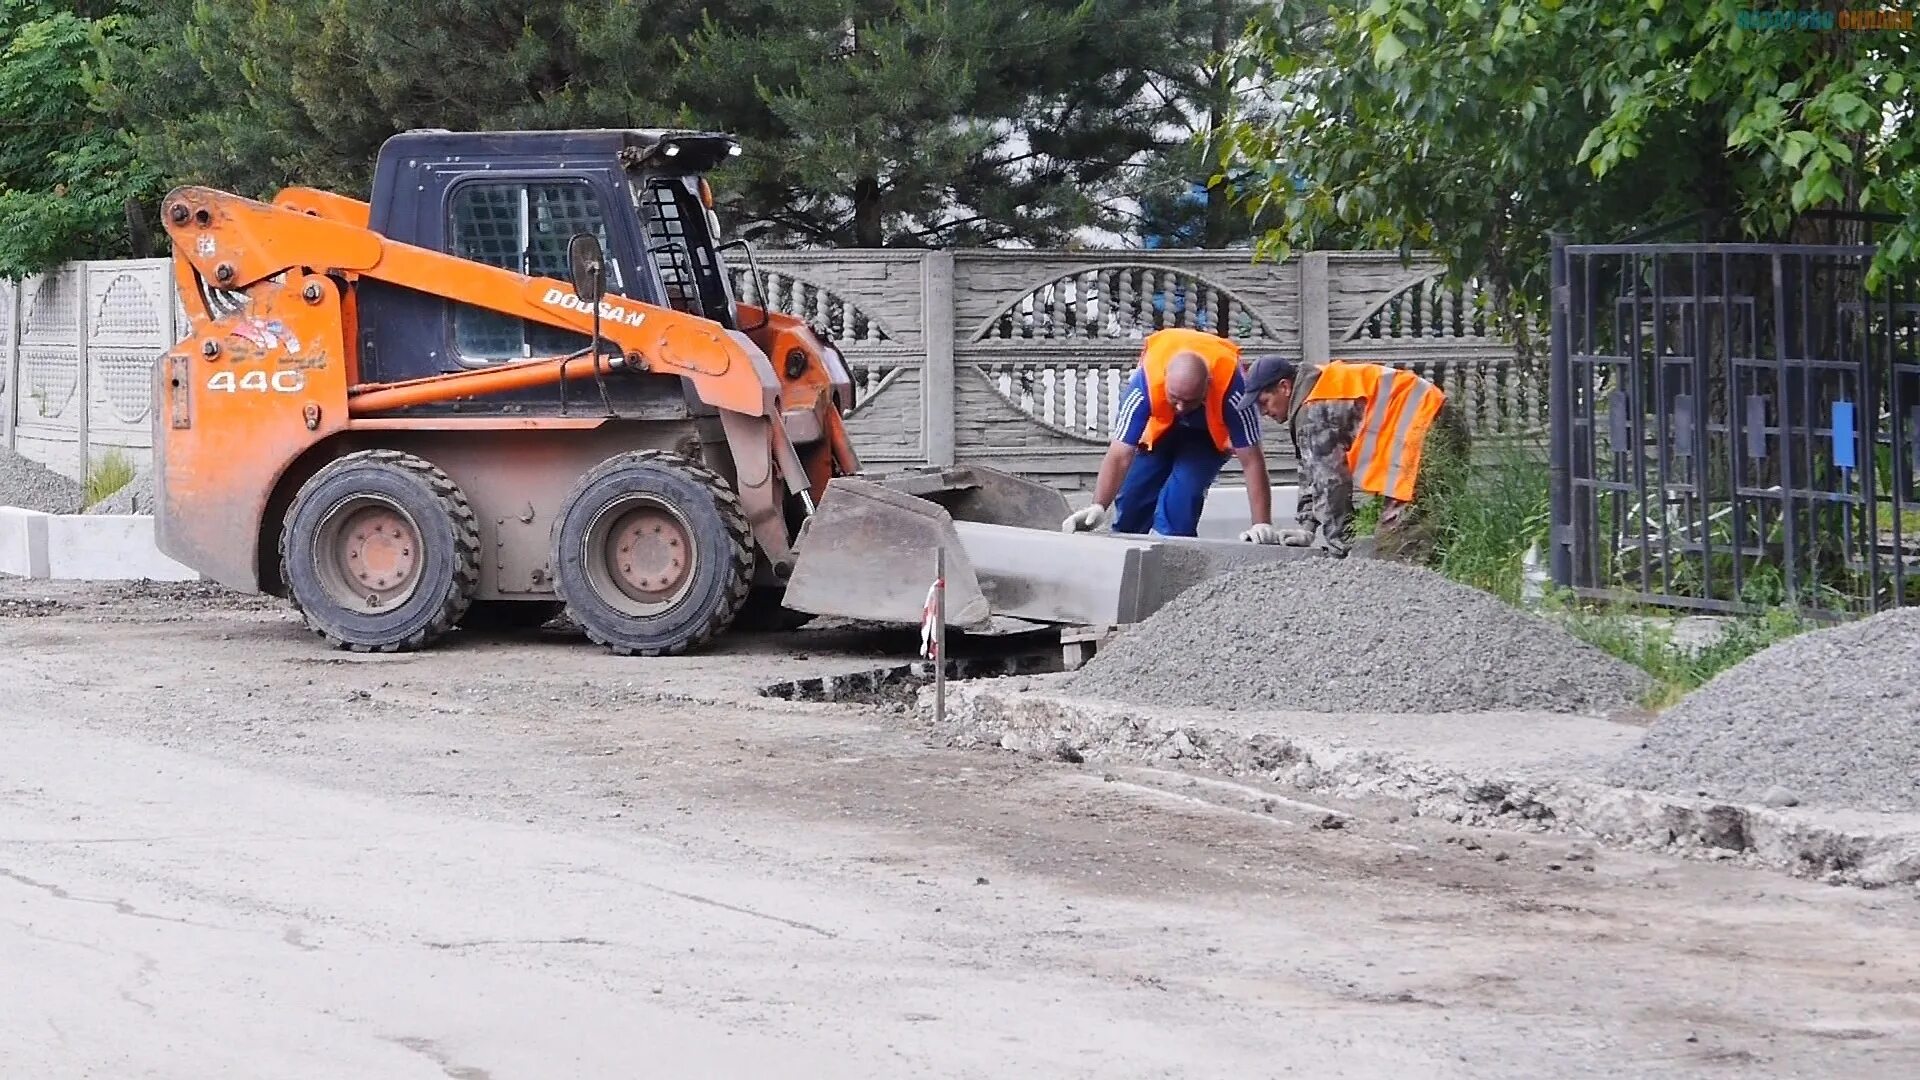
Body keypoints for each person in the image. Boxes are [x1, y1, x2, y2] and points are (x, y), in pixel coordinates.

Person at [1060, 327, 1278, 541]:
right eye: (1175, 398)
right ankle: (1124, 549)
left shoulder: (1235, 390)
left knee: (1183, 498)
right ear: (1165, 378)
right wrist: (1098, 505)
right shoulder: (1143, 385)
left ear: (1208, 384)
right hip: (1160, 431)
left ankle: (1172, 559)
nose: (1181, 407)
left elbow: (1252, 461)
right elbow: (1119, 454)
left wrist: (1262, 523)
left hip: (1207, 437)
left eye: (1190, 400)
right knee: (1133, 499)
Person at [1239, 355, 1467, 559]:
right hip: (1437, 417)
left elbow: (1332, 484)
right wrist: (1307, 527)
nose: (1263, 413)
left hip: (1429, 426)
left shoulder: (1315, 408)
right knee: (1430, 533)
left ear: (1284, 387)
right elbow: (1312, 471)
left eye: (1263, 402)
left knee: (1399, 548)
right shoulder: (1315, 390)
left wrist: (1340, 549)